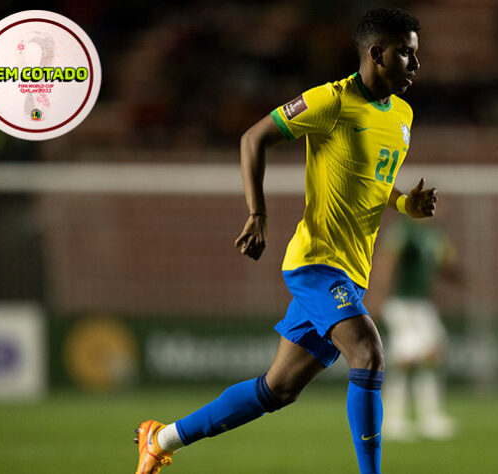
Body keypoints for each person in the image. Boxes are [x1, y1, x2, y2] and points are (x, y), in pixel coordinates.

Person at [133, 8, 436, 474]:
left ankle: (162, 438)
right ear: (376, 54)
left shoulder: (402, 114)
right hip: (316, 263)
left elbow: (371, 183)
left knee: (277, 390)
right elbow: (253, 139)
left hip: (352, 271)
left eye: (416, 55)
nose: (416, 64)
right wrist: (258, 213)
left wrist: (403, 205)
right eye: (406, 54)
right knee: (369, 352)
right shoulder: (329, 101)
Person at [379, 219, 457, 441]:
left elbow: (444, 267)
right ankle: (393, 420)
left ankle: (429, 417)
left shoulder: (436, 236)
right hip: (404, 304)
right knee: (405, 360)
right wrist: (378, 295)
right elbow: (387, 263)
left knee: (432, 356)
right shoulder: (404, 232)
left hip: (422, 305)